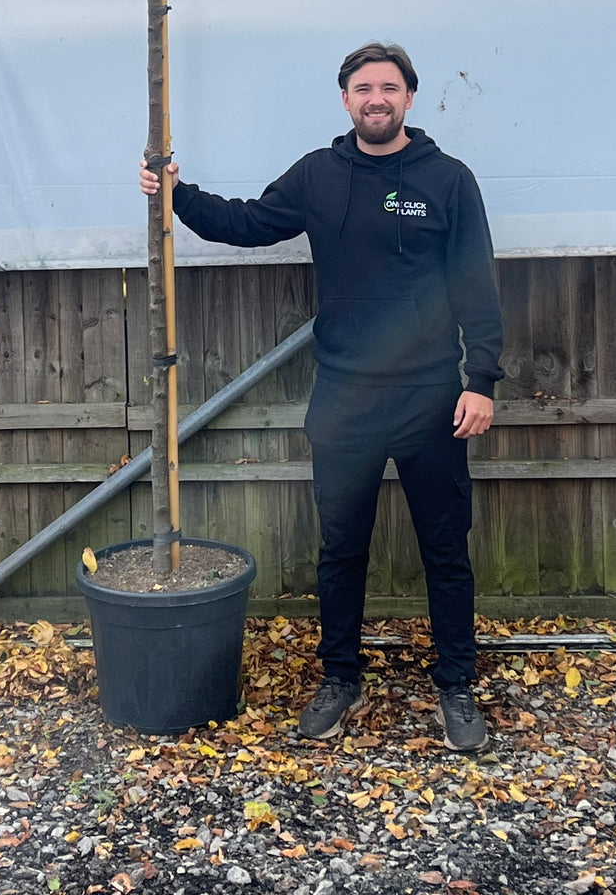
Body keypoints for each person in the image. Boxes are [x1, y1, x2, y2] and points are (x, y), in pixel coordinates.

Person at [139, 41, 504, 749]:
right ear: (345, 100)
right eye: (364, 88)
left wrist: (481, 381)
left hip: (432, 398)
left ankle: (456, 685)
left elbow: (475, 286)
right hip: (343, 399)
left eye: (389, 88)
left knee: (446, 550)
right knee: (340, 549)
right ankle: (339, 676)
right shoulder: (318, 176)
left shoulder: (448, 180)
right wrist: (178, 194)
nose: (377, 98)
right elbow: (246, 223)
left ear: (408, 98)